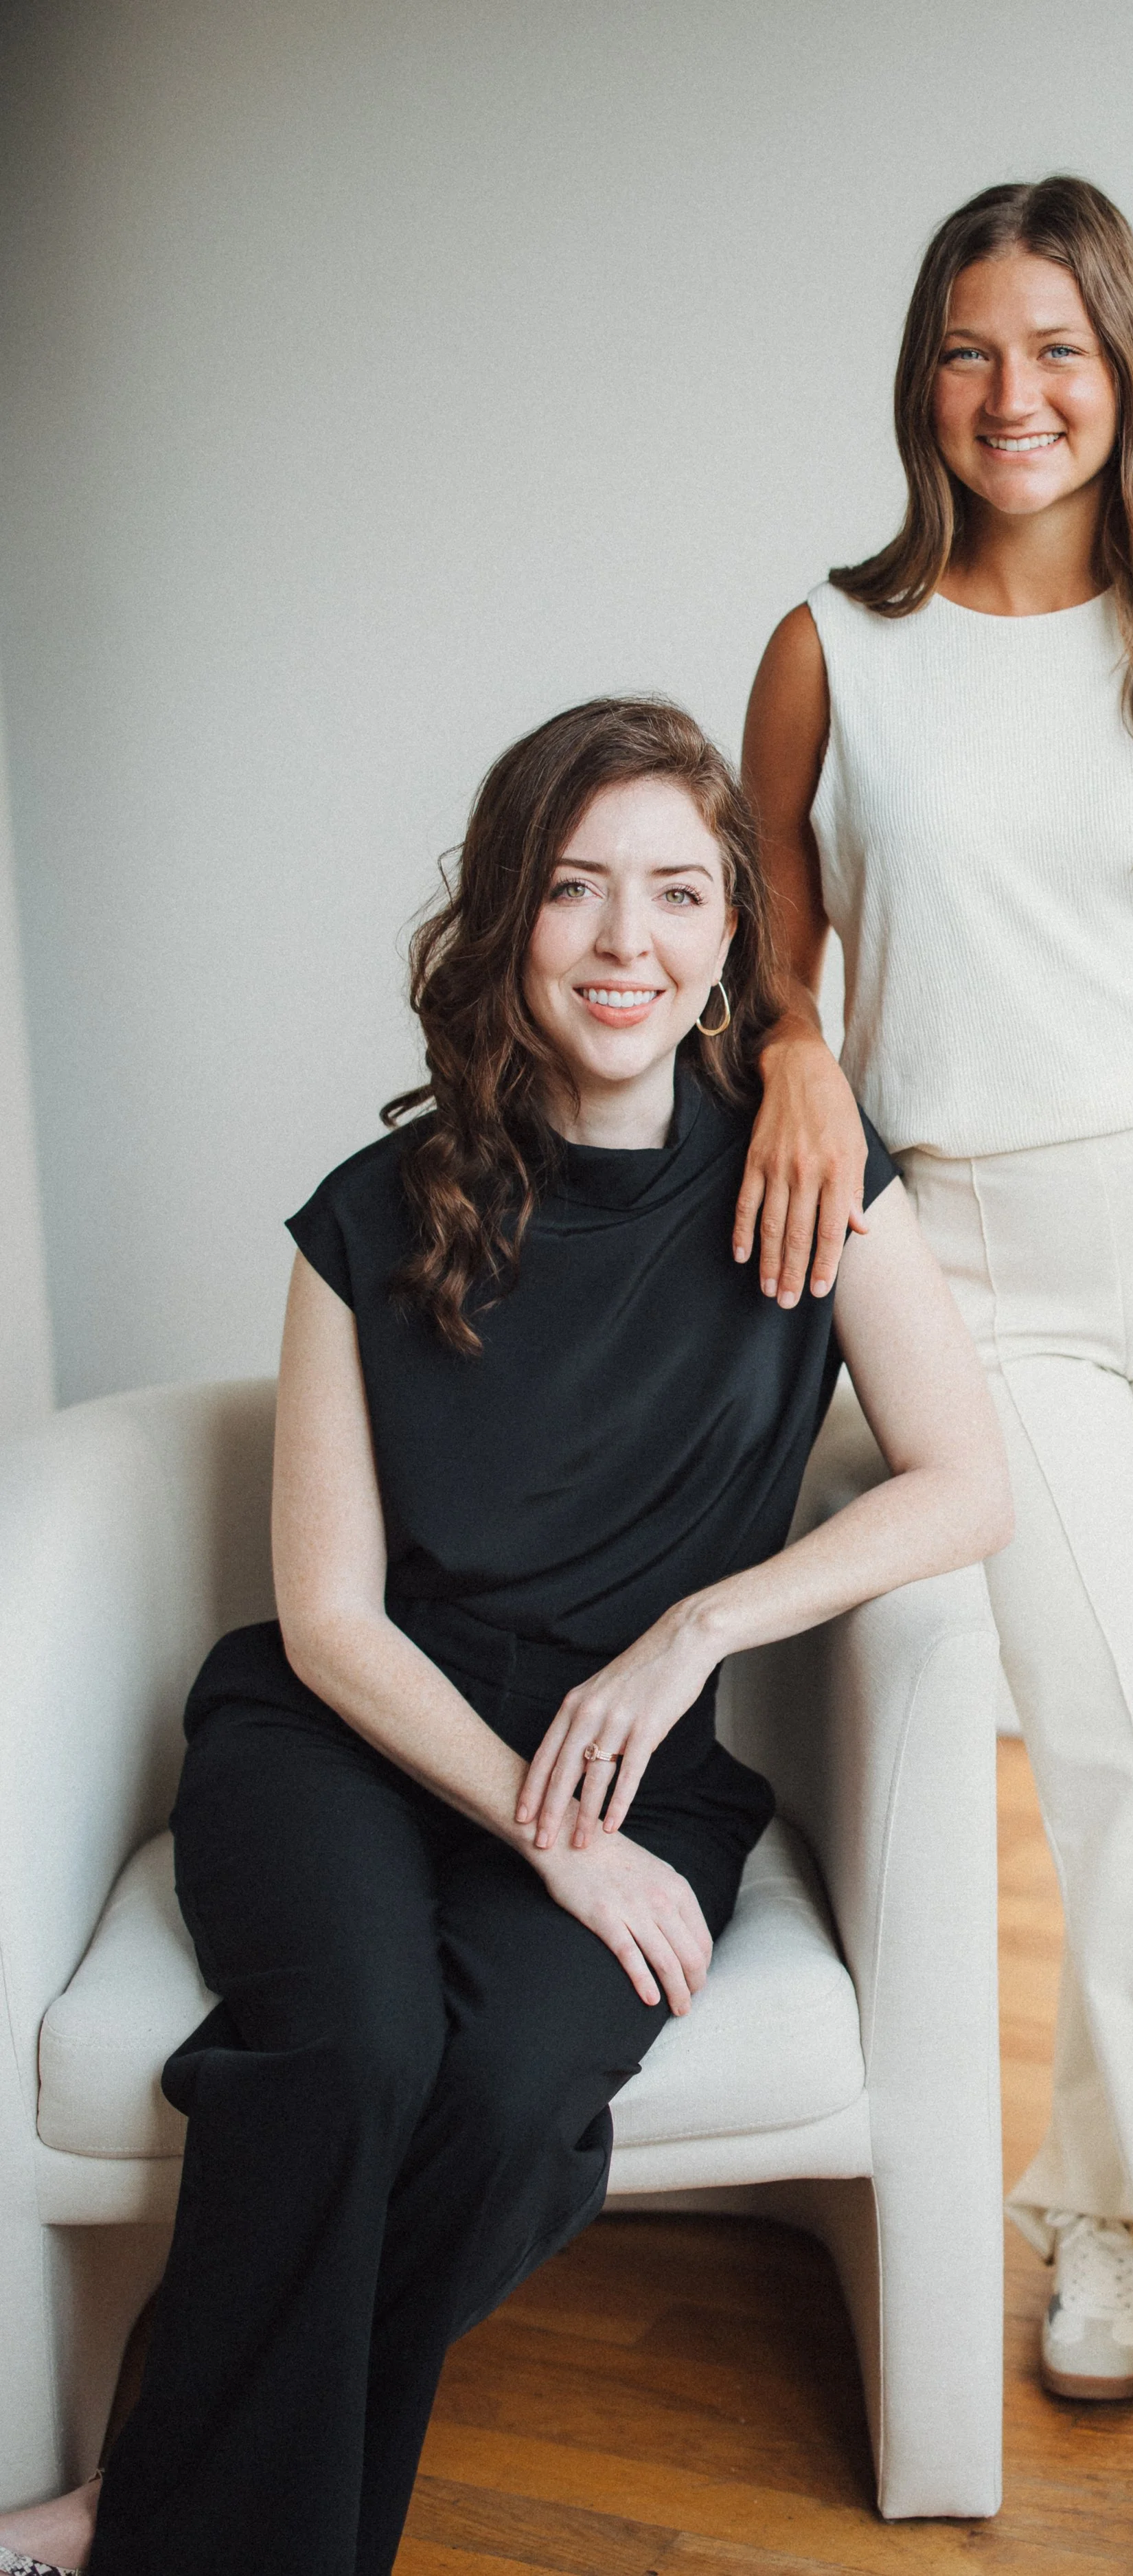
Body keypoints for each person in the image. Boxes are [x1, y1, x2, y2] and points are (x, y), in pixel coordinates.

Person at [0, 699, 1008, 2576]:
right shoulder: (367, 1215)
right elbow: (325, 1619)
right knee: (356, 2042)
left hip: (637, 1763)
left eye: (677, 892)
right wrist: (545, 1829)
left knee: (514, 2087)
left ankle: (143, 2507)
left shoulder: (805, 1183)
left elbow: (965, 1483)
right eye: (573, 888)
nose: (625, 940)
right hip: (349, 1743)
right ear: (504, 919)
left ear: (730, 937)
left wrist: (698, 1627)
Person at [737, 175, 1133, 2556]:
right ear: (920, 380)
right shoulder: (831, 648)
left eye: (1057, 353)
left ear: (1125, 372)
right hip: (977, 1254)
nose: (1010, 397)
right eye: (964, 352)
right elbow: (769, 952)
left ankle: (1103, 2225)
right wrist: (796, 1042)